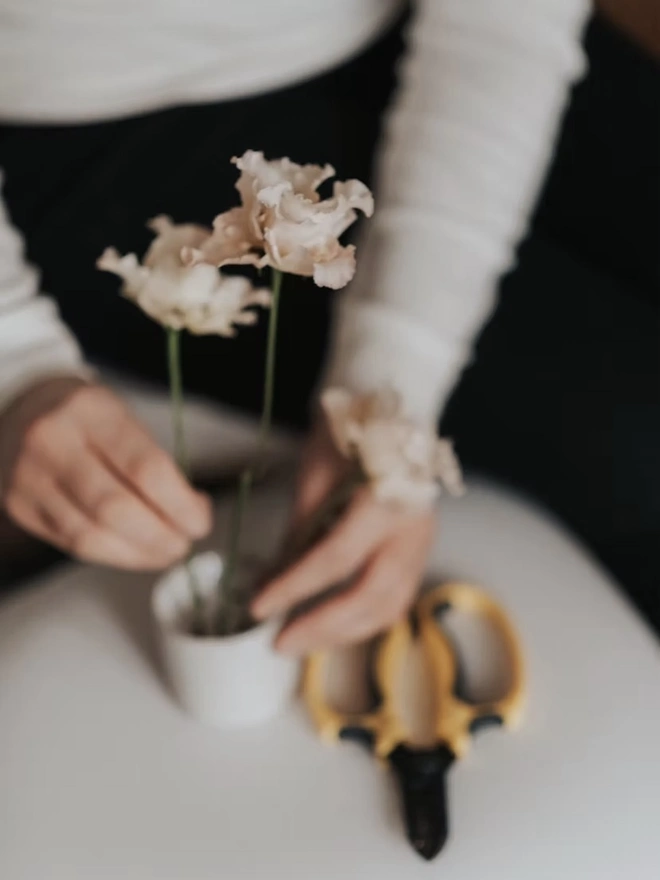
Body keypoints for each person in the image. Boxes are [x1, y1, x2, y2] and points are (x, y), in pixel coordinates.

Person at [0, 1, 657, 654]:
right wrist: (16, 362)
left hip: (420, 37)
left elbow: (506, 27)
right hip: (88, 115)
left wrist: (397, 369)